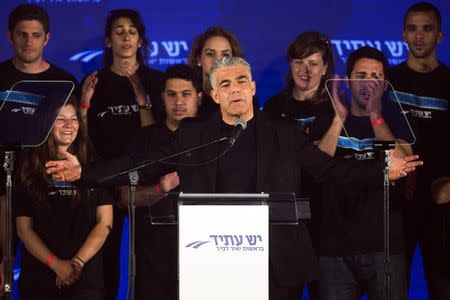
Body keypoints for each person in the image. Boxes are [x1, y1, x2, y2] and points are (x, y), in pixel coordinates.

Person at [46, 56, 422, 300]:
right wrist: (84, 174)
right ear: (213, 95)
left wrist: (380, 170)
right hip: (213, 266)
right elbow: (140, 162)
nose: (235, 89)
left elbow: (329, 171)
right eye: (225, 84)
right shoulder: (192, 135)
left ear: (253, 88)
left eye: (242, 80)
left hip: (275, 267)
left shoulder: (284, 132)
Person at [78, 9, 165, 300]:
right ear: (108, 40)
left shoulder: (156, 81)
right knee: (105, 267)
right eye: (118, 30)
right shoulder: (94, 81)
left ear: (141, 40)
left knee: (151, 266)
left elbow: (157, 140)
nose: (125, 36)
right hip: (105, 184)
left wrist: (142, 99)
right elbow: (83, 141)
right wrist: (84, 109)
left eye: (132, 31)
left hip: (147, 183)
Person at [315, 46, 412, 299]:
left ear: (385, 83)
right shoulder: (328, 114)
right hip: (334, 250)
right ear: (348, 80)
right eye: (361, 76)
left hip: (385, 248)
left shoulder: (393, 116)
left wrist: (375, 115)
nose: (369, 83)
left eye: (376, 77)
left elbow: (402, 165)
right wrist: (339, 119)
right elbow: (316, 167)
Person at [0, 3, 79, 294]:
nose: (28, 42)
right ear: (10, 35)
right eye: (22, 34)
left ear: (47, 38)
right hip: (2, 188)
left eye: (35, 35)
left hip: (45, 187)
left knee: (44, 279)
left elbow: (72, 134)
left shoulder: (65, 81)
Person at [117, 64, 202, 300]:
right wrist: (159, 189)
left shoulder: (214, 138)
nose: (179, 102)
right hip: (153, 256)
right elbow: (125, 198)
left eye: (186, 94)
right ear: (162, 98)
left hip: (205, 253)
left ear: (199, 97)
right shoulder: (144, 139)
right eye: (172, 94)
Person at [14, 97, 113, 300]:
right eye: (60, 119)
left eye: (73, 118)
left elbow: (105, 223)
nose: (69, 125)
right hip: (39, 277)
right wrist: (56, 264)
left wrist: (76, 263)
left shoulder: (94, 166)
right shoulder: (29, 167)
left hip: (85, 279)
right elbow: (24, 229)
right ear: (47, 124)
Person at [263, 31, 335, 299]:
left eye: (313, 64)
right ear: (290, 64)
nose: (305, 71)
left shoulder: (336, 108)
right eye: (298, 63)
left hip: (326, 218)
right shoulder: (274, 106)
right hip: (285, 220)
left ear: (325, 67)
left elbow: (323, 164)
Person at [388, 2, 450, 298]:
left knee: (442, 287)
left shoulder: (449, 83)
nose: (419, 35)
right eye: (412, 28)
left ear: (440, 36)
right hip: (396, 204)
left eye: (427, 28)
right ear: (403, 35)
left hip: (441, 203)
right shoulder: (387, 81)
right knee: (390, 289)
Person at [187, 26, 244, 116]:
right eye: (210, 54)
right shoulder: (186, 97)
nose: (217, 60)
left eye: (225, 55)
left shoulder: (244, 98)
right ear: (199, 59)